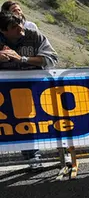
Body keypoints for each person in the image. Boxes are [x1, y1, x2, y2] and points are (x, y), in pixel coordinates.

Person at [0, 11, 59, 169]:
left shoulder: (34, 36)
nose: (20, 28)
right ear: (4, 31)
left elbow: (52, 59)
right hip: (7, 92)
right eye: (14, 26)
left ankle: (63, 150)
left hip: (37, 87)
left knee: (51, 118)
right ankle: (32, 156)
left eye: (20, 23)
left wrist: (23, 59)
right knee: (20, 123)